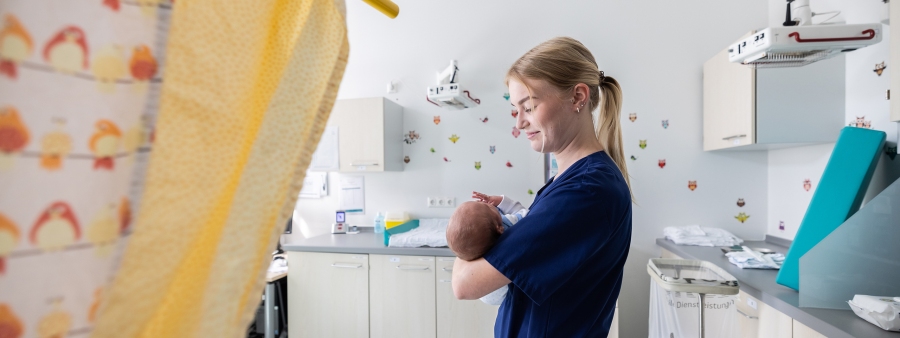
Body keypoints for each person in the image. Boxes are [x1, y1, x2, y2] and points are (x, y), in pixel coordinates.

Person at [451, 36, 633, 338]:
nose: (520, 123)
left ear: (577, 97)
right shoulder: (571, 182)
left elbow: (464, 283)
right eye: (516, 110)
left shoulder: (586, 191)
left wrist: (467, 226)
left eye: (530, 106)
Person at [445, 192, 530, 305]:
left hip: (489, 295)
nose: (486, 203)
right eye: (486, 206)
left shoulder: (475, 246)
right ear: (499, 228)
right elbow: (526, 215)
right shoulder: (507, 225)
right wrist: (503, 201)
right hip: (509, 294)